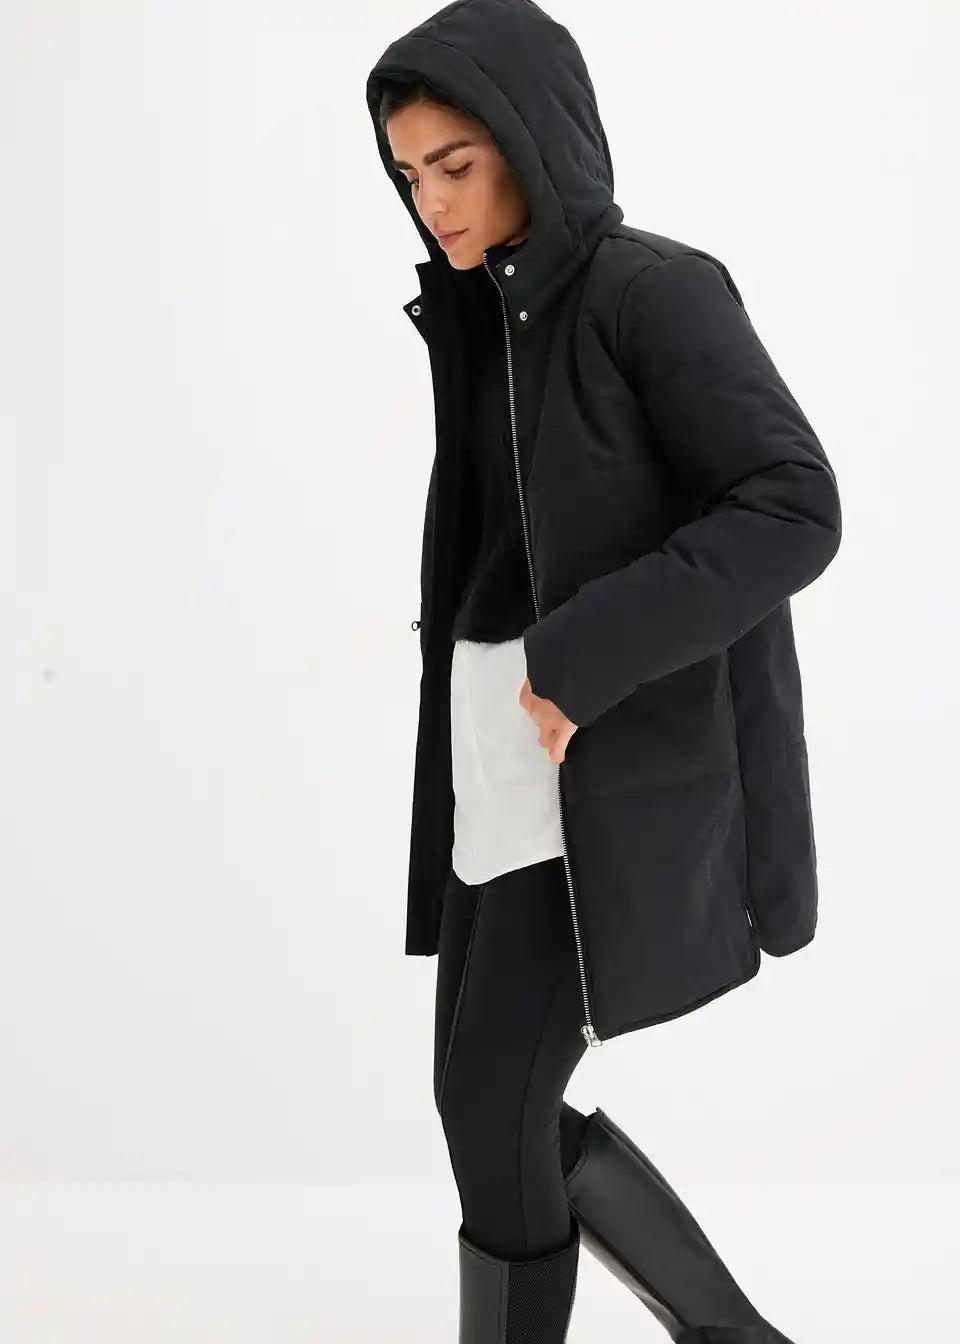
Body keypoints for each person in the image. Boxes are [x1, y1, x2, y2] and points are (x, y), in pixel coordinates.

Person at [365, 2, 842, 1341]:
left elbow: (793, 506)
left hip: (596, 768)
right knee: (481, 1102)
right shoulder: (485, 312)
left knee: (495, 1100)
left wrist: (579, 659)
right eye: (409, 174)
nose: (431, 202)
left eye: (456, 164)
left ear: (533, 138)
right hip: (494, 765)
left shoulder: (653, 292)